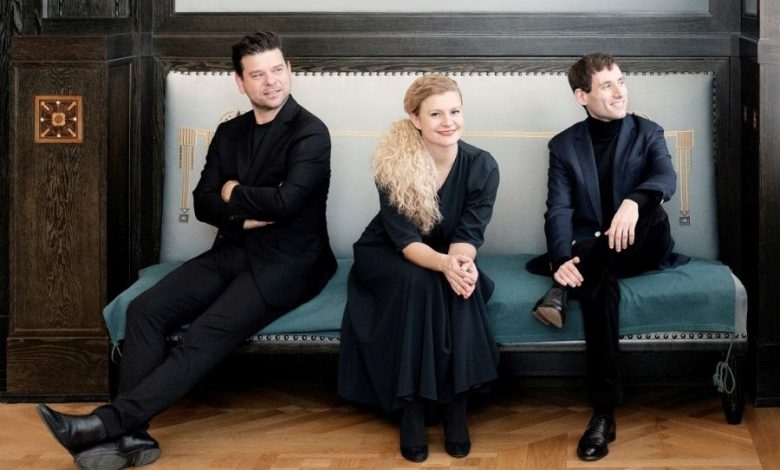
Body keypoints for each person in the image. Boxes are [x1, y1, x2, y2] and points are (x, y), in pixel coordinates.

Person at [36, 31, 337, 470]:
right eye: (258, 74)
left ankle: (105, 425)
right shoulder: (229, 132)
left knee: (203, 335)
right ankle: (132, 438)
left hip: (289, 262)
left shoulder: (311, 132)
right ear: (240, 82)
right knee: (144, 311)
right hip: (233, 247)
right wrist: (240, 213)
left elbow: (287, 202)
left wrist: (233, 192)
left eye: (277, 70)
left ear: (289, 70)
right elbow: (202, 202)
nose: (271, 81)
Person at [527, 53, 688, 461]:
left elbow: (665, 178)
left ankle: (560, 289)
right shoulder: (564, 146)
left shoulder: (647, 131)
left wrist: (633, 202)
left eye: (621, 81)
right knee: (599, 283)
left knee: (651, 210)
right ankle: (603, 413)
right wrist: (561, 258)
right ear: (582, 96)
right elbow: (558, 210)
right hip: (596, 255)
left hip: (644, 245)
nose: (619, 92)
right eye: (606, 85)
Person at [338, 74, 500, 462]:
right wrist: (444, 264)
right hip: (387, 252)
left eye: (455, 111)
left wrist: (459, 264)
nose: (448, 122)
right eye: (436, 114)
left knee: (460, 284)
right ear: (415, 119)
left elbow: (469, 233)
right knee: (422, 281)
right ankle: (411, 408)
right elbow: (406, 241)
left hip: (446, 250)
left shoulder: (482, 166)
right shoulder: (395, 164)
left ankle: (455, 406)